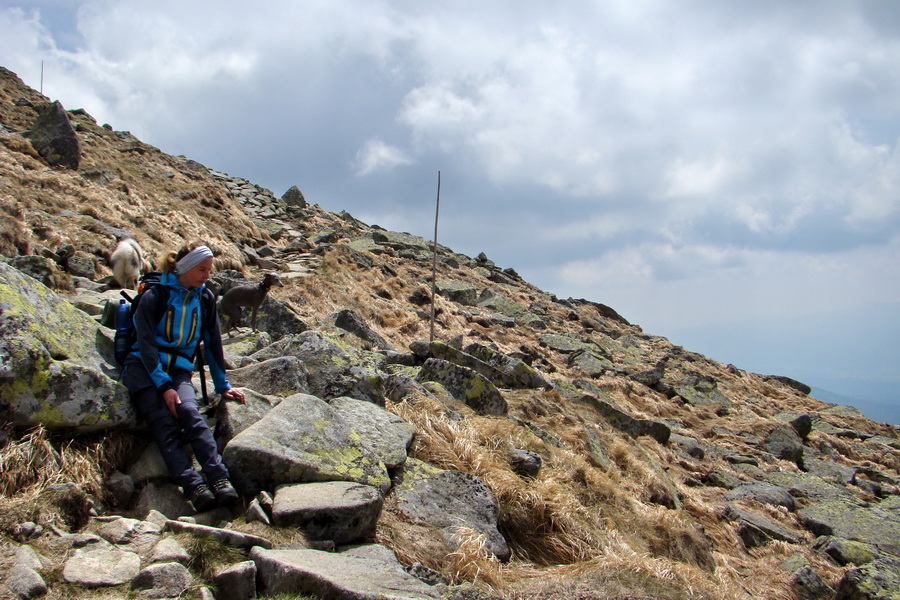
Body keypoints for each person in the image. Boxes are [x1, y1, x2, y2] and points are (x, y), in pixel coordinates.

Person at [121, 242, 245, 511]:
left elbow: (212, 343)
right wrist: (164, 386)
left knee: (190, 412)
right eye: (202, 269)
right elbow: (145, 343)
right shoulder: (156, 296)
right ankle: (193, 486)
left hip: (177, 369)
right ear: (185, 268)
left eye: (209, 270)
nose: (207, 276)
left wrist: (223, 385)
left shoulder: (205, 298)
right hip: (142, 368)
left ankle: (220, 479)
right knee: (163, 422)